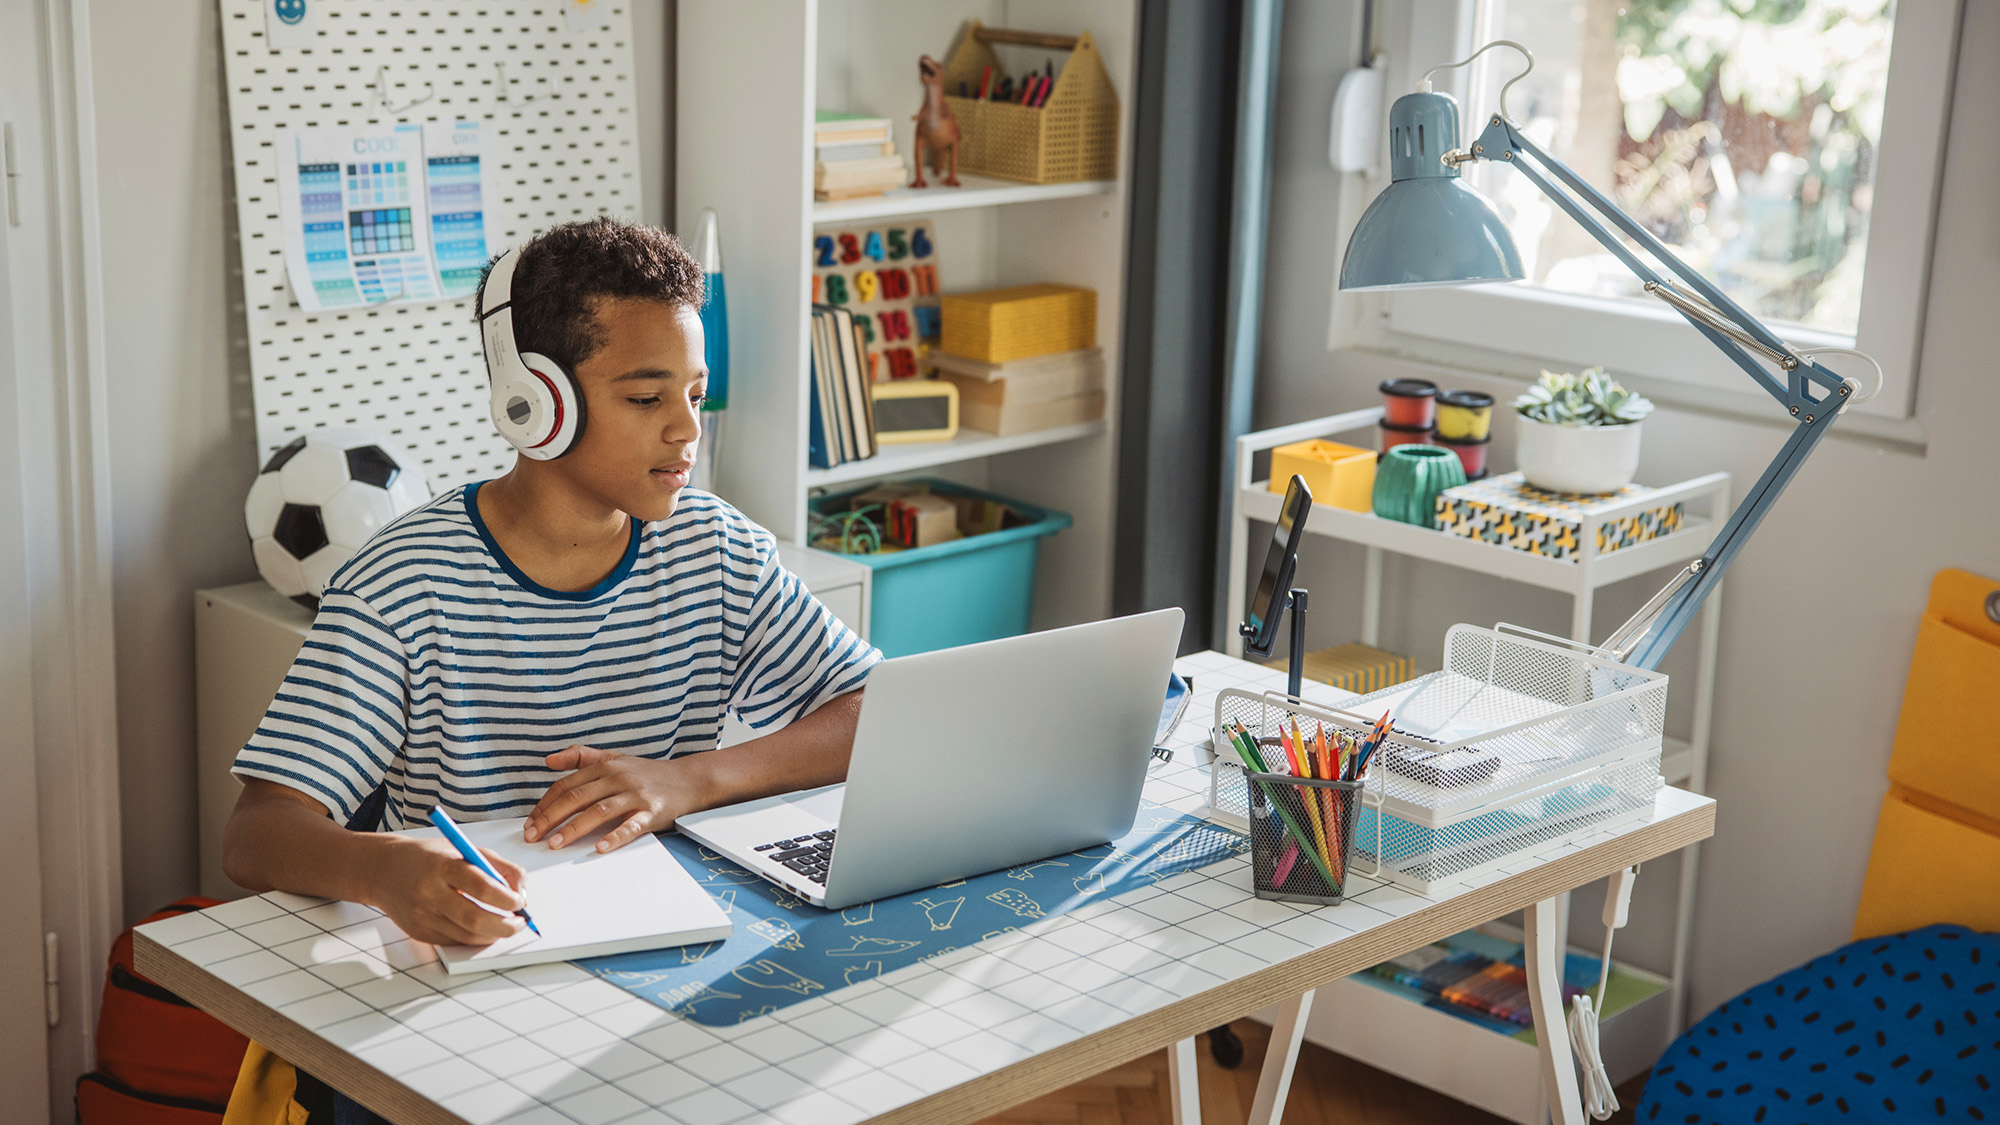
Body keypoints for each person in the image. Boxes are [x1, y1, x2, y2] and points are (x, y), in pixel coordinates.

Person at [223, 217, 878, 948]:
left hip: (667, 925)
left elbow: (873, 711)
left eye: (695, 394)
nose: (687, 429)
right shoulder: (401, 585)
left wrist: (689, 780)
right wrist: (384, 870)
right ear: (535, 402)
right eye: (645, 398)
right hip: (483, 944)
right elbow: (257, 832)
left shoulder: (715, 546)